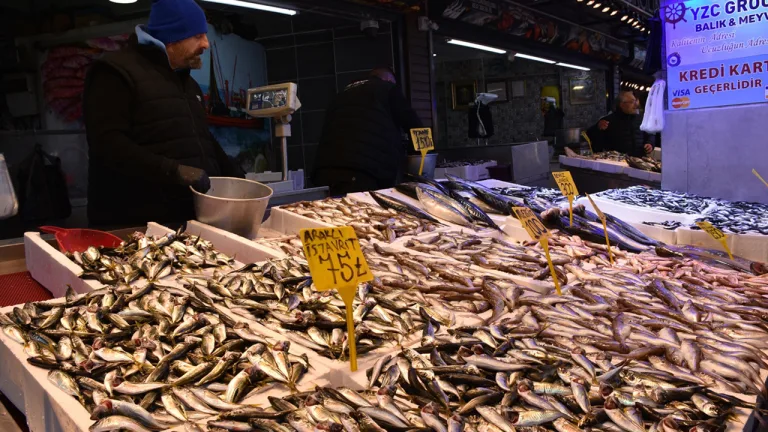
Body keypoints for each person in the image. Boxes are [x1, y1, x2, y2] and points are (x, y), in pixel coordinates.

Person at [83, 0, 243, 227]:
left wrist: (233, 173)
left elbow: (200, 137)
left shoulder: (187, 83)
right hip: (134, 225)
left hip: (187, 220)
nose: (206, 44)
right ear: (172, 37)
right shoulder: (114, 72)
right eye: (198, 36)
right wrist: (174, 171)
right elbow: (108, 144)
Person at [312, 67, 423, 195]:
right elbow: (415, 125)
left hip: (324, 172)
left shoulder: (341, 94)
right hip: (364, 173)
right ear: (387, 79)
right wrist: (425, 160)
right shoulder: (388, 88)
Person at [586, 91, 654, 157]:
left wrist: (650, 143)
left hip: (639, 160)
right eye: (632, 102)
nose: (636, 104)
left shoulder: (641, 119)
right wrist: (597, 127)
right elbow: (589, 136)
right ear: (622, 105)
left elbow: (650, 135)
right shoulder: (608, 121)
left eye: (635, 101)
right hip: (618, 161)